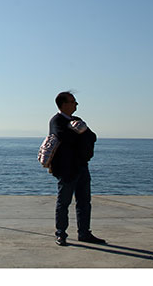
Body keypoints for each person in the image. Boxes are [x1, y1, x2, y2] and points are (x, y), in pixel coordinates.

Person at [49, 91, 105, 246]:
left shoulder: (77, 120)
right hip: (66, 169)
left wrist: (80, 132)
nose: (76, 104)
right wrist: (80, 132)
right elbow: (64, 137)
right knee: (64, 202)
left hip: (81, 166)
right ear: (64, 104)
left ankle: (84, 233)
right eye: (73, 102)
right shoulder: (57, 121)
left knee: (84, 202)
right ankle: (61, 234)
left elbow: (92, 136)